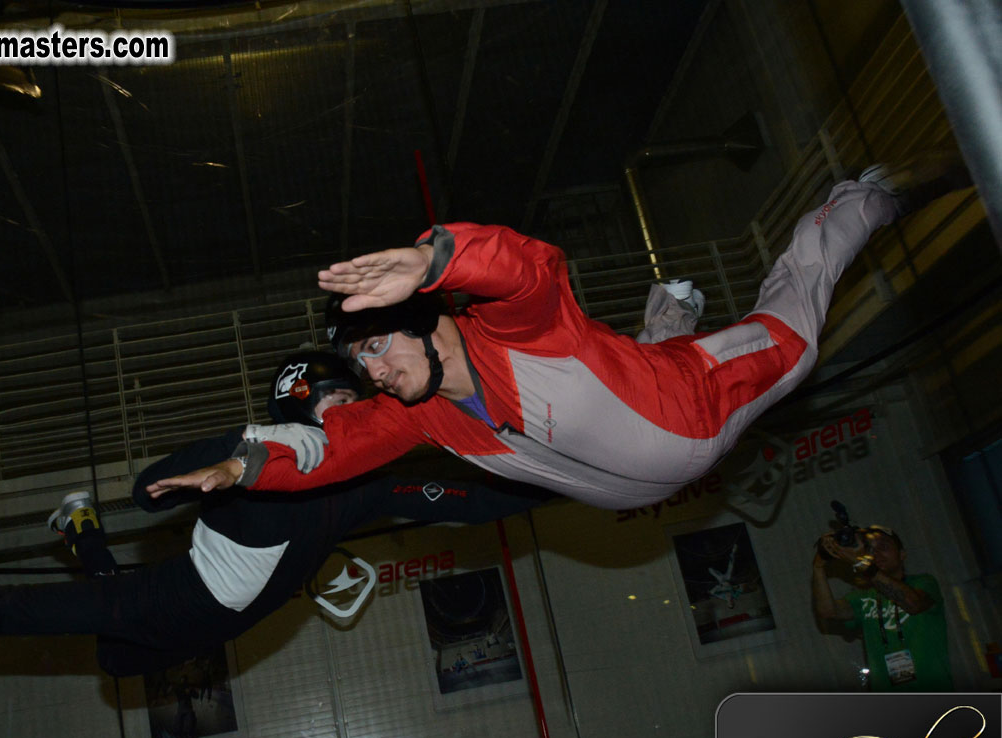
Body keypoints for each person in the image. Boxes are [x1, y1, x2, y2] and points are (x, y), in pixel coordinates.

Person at [151, 162, 972, 511]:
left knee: (793, 338)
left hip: (691, 405)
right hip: (638, 480)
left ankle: (862, 199)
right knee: (622, 368)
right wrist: (246, 464)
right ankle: (665, 317)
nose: (374, 372)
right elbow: (328, 450)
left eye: (377, 347)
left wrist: (437, 255)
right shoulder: (417, 413)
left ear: (429, 320)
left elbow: (528, 269)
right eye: (360, 362)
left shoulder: (513, 330)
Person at [0, 351, 548, 677]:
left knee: (112, 659)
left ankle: (79, 533)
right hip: (177, 596)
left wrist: (585, 472)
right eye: (325, 408)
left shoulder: (366, 486)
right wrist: (229, 455)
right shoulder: (257, 459)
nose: (341, 421)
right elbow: (146, 489)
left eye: (349, 404)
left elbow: (474, 501)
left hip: (218, 621)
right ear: (294, 418)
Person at [812, 524, 951, 692]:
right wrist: (819, 567)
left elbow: (913, 604)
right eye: (871, 549)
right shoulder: (863, 596)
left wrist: (860, 563)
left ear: (902, 555)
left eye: (884, 547)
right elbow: (828, 611)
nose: (876, 553)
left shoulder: (924, 583)